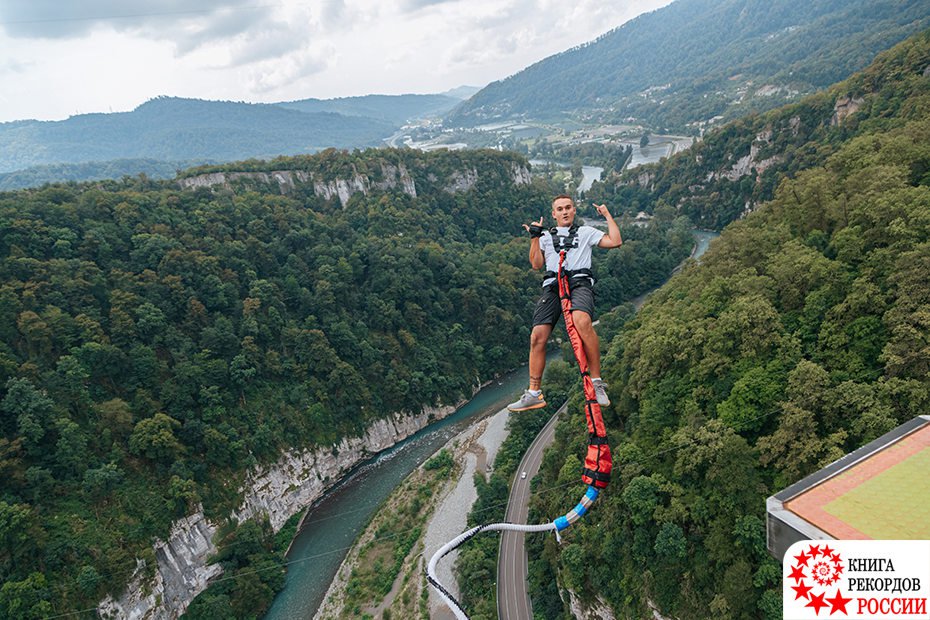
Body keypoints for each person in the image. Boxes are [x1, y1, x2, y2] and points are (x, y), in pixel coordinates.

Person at [507, 194, 622, 412]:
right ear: (554, 214)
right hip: (552, 286)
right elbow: (536, 264)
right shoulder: (545, 237)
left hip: (579, 284)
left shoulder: (586, 232)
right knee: (537, 336)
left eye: (568, 207)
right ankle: (534, 393)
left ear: (574, 210)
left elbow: (615, 241)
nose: (564, 212)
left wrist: (607, 215)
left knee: (582, 321)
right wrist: (534, 236)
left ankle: (597, 383)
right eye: (560, 209)